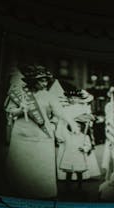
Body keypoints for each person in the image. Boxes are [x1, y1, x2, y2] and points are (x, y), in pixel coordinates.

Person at [4, 65, 77, 199]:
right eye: (41, 80)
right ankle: (19, 191)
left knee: (41, 166)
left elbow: (59, 112)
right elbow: (9, 110)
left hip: (42, 135)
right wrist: (21, 109)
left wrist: (71, 123)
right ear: (33, 81)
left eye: (46, 80)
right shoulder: (21, 93)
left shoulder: (49, 96)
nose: (45, 83)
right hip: (21, 135)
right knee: (22, 165)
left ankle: (42, 193)